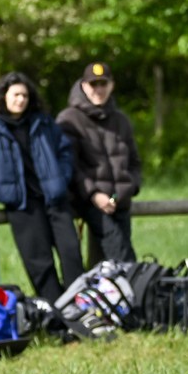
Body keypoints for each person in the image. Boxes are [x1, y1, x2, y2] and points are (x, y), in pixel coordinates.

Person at [0, 71, 84, 303]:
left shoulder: (43, 122)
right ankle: (57, 312)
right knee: (39, 262)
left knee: (71, 254)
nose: (20, 100)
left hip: (55, 199)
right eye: (15, 95)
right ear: (3, 96)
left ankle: (80, 307)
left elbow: (65, 152)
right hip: (23, 204)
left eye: (25, 95)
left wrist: (61, 179)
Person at [56, 61, 142, 264]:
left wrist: (127, 190)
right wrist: (94, 194)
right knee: (124, 259)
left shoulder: (121, 120)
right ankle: (138, 292)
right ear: (83, 86)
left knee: (113, 262)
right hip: (89, 203)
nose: (98, 89)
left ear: (111, 85)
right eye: (93, 84)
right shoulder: (69, 119)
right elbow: (71, 167)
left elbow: (135, 163)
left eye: (103, 84)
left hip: (120, 202)